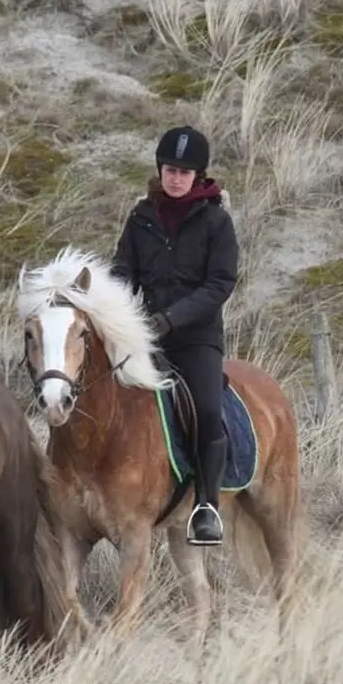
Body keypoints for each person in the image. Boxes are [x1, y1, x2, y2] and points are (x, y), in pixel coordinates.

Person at [110, 126, 240, 546]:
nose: (176, 178)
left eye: (184, 172)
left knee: (206, 408)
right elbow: (123, 271)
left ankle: (206, 505)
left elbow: (220, 284)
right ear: (160, 171)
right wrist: (116, 310)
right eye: (170, 170)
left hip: (196, 338)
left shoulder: (217, 222)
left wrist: (172, 318)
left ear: (198, 175)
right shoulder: (140, 217)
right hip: (145, 335)